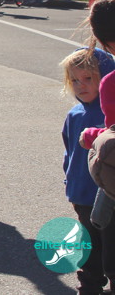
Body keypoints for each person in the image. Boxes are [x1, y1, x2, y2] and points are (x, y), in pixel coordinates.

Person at [60, 47, 115, 295]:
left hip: (107, 193)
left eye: (88, 78)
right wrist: (69, 179)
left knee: (110, 245)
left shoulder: (109, 113)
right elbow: (69, 151)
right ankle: (90, 285)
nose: (80, 85)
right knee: (88, 244)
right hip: (82, 194)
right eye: (74, 80)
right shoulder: (74, 115)